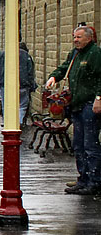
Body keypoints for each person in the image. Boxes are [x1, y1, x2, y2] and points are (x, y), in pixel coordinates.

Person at [45, 25, 101, 195]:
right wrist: (54, 76)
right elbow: (64, 67)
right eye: (74, 37)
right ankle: (83, 178)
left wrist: (99, 98)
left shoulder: (95, 54)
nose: (75, 40)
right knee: (78, 145)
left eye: (79, 37)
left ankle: (95, 181)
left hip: (89, 104)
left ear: (89, 38)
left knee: (90, 144)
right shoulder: (75, 54)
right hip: (76, 105)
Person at [0, 41, 36, 125]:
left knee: (6, 105)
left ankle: (8, 122)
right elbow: (30, 71)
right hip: (22, 84)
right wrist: (30, 84)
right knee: (22, 105)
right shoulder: (26, 56)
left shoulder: (2, 54)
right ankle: (18, 122)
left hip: (5, 84)